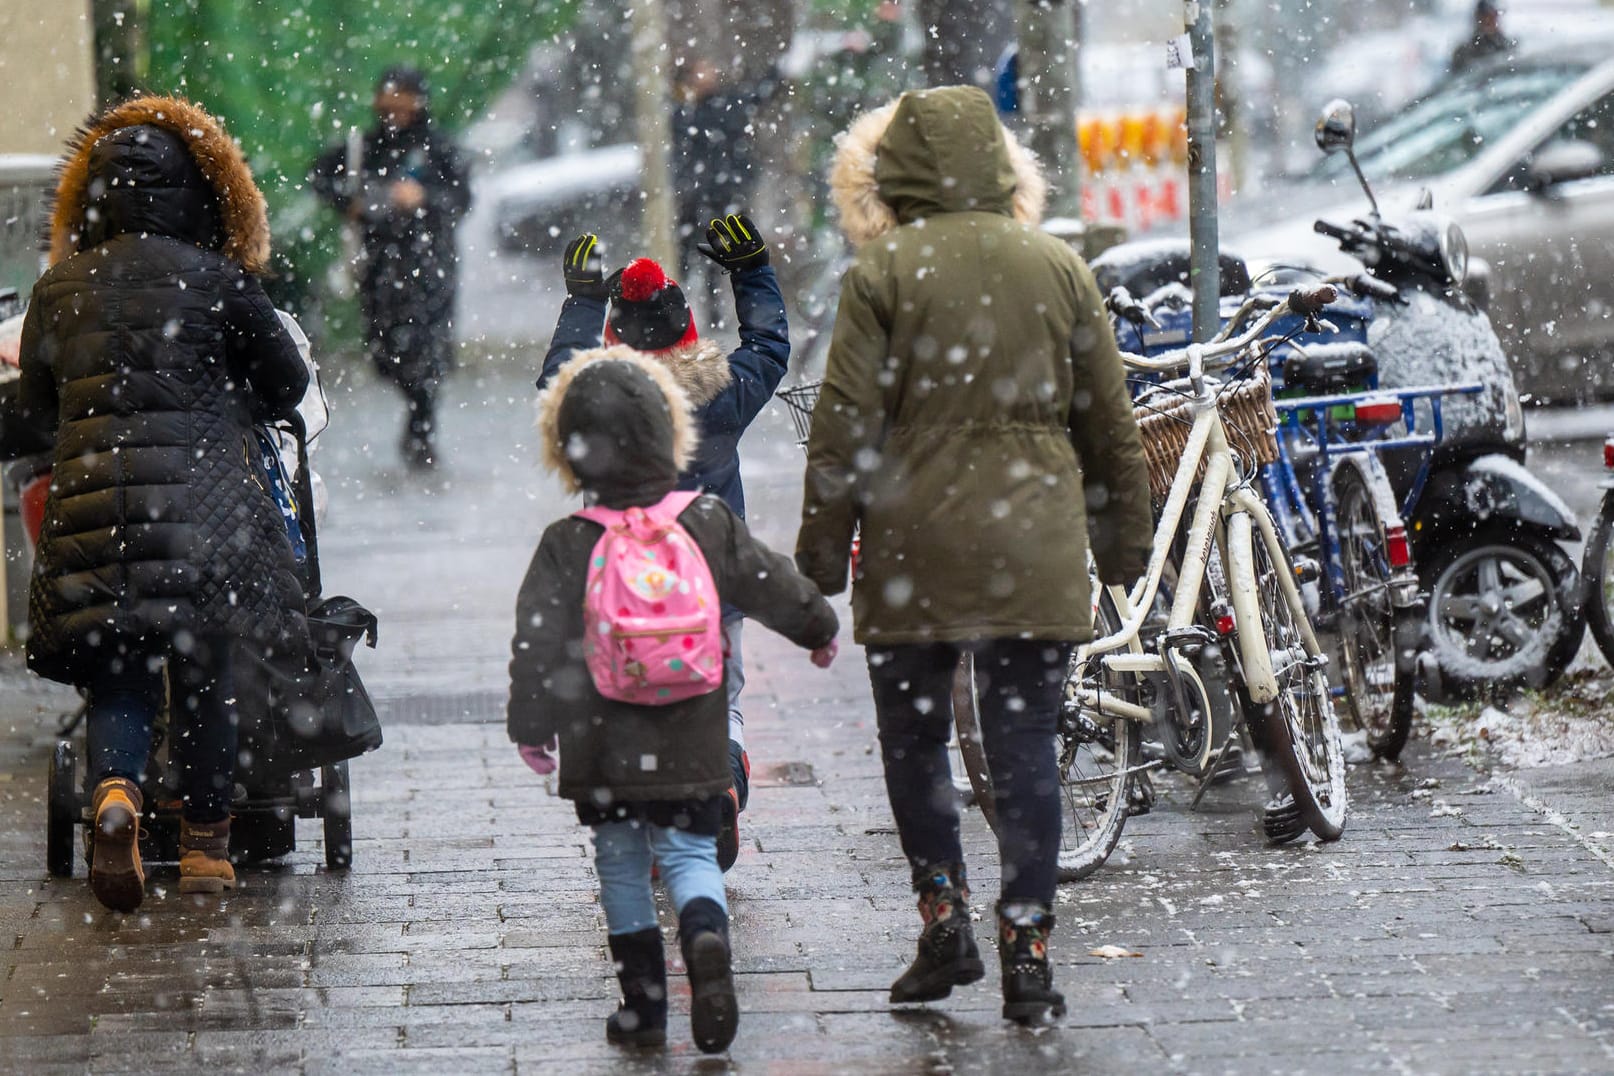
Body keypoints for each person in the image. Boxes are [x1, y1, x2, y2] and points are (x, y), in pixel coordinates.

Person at [795, 86, 1153, 1025]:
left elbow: (842, 432)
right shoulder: (1059, 266)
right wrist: (1124, 546)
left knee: (915, 739)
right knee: (1026, 741)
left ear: (896, 175)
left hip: (915, 547)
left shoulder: (880, 276)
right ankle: (1027, 945)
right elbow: (1109, 426)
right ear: (1001, 166)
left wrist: (824, 556)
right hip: (1034, 541)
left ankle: (943, 915)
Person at [16, 95, 312, 912]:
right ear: (198, 195)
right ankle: (208, 848)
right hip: (202, 522)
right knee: (205, 670)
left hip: (89, 521)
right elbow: (287, 385)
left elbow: (37, 411)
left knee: (121, 673)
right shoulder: (220, 281)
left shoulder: (61, 288)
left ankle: (116, 794)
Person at [508, 346, 838, 1053]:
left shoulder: (568, 543)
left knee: (622, 862)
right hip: (695, 736)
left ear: (569, 453)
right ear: (671, 436)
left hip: (602, 745)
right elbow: (771, 583)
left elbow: (535, 644)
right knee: (690, 854)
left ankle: (645, 1009)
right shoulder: (707, 520)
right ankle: (706, 939)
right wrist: (818, 627)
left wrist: (532, 726)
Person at [537, 215, 789, 873]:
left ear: (615, 338)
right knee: (719, 699)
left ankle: (650, 817)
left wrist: (583, 302)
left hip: (620, 586)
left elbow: (556, 382)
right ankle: (723, 780)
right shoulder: (724, 395)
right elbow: (769, 343)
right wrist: (751, 271)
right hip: (712, 580)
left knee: (628, 700)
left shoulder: (598, 403)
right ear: (688, 331)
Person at [310, 65, 469, 469]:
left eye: (404, 99)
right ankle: (417, 410)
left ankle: (422, 424)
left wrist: (422, 198)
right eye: (388, 99)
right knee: (387, 353)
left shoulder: (439, 148)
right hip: (380, 267)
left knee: (428, 350)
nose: (395, 109)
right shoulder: (364, 148)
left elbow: (461, 198)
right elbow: (320, 176)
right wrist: (354, 203)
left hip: (431, 265)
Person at [1450, 0, 1515, 76]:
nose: (1491, 20)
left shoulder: (1509, 46)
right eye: (1486, 16)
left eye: (1494, 16)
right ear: (1477, 18)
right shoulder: (1464, 51)